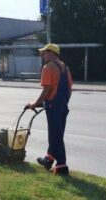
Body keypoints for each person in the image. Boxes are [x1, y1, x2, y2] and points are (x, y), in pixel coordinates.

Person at [26, 43, 73, 176]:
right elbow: (69, 89)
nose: (43, 55)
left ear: (52, 53)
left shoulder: (48, 67)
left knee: (56, 136)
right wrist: (63, 102)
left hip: (53, 107)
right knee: (56, 135)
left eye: (45, 53)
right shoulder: (66, 68)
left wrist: (35, 103)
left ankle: (62, 166)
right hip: (63, 107)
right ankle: (48, 160)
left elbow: (46, 90)